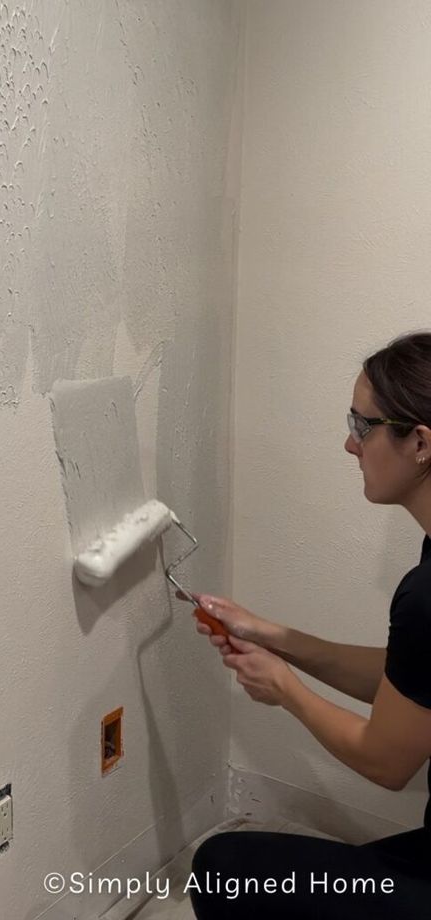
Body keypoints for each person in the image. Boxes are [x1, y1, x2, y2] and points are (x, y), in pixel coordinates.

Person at [179, 331, 431, 918]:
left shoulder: (425, 597)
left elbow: (387, 761)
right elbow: (411, 680)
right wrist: (277, 639)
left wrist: (284, 690)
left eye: (362, 426)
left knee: (225, 872)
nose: (349, 444)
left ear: (419, 442)